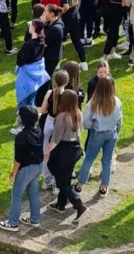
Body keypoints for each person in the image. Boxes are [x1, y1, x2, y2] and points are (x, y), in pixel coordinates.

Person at [0, 105, 44, 232]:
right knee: (33, 193)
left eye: (19, 115)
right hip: (38, 166)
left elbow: (18, 159)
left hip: (26, 169)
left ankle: (13, 223)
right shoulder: (39, 129)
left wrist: (13, 173)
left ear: (23, 118)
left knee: (17, 194)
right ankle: (35, 219)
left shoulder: (21, 136)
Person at [45, 89, 86, 221]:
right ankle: (60, 204)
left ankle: (78, 204)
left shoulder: (62, 117)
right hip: (74, 149)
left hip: (63, 150)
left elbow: (56, 139)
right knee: (66, 177)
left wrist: (47, 151)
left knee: (62, 181)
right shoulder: (78, 113)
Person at [76, 75, 121, 196]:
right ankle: (104, 187)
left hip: (97, 133)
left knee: (89, 159)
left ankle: (80, 185)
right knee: (107, 160)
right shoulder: (117, 101)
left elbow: (85, 121)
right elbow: (119, 120)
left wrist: (92, 126)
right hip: (112, 133)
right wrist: (117, 132)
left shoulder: (93, 102)